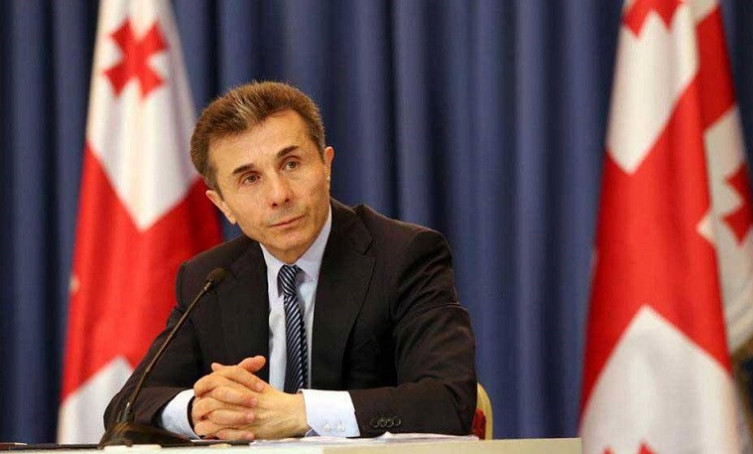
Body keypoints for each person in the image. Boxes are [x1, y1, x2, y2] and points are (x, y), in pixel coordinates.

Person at [104, 81, 477, 440]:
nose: (279, 194)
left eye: (292, 164)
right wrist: (200, 409)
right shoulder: (210, 279)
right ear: (223, 204)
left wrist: (299, 413)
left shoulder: (404, 256)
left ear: (326, 166)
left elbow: (448, 402)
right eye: (250, 179)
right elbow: (125, 407)